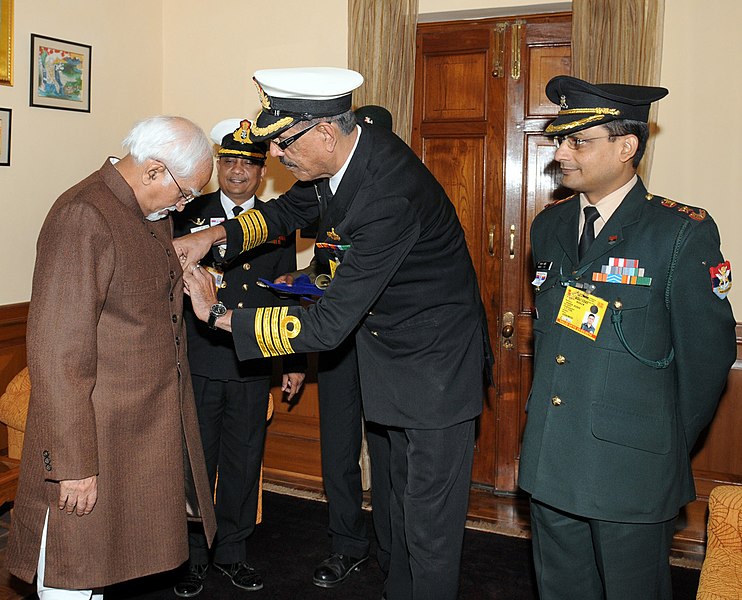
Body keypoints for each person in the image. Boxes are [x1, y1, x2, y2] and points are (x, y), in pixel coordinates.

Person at [175, 67, 492, 600]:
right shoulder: (345, 159)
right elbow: (282, 213)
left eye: (283, 142)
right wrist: (211, 236)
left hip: (434, 370)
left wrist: (214, 315)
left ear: (324, 132)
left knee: (428, 524)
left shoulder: (387, 196)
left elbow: (325, 324)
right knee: (394, 503)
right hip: (390, 354)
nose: (276, 156)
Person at [518, 75, 737, 600]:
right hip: (553, 460)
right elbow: (555, 341)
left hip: (631, 468)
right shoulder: (548, 227)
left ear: (626, 146)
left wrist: (658, 447)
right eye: (561, 139)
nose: (562, 152)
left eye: (578, 141)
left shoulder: (679, 231)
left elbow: (706, 363)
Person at [5, 115, 217, 599]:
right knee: (69, 570)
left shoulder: (148, 215)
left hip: (131, 433)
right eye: (184, 193)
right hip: (90, 435)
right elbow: (59, 355)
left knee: (98, 570)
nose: (184, 206)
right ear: (152, 171)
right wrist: (74, 464)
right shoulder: (85, 215)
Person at [171, 119, 306, 596]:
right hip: (200, 358)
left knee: (245, 460)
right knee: (195, 462)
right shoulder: (190, 214)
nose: (236, 171)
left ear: (262, 170)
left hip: (251, 360)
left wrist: (292, 360)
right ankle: (191, 556)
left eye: (247, 163)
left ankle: (232, 552)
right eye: (228, 161)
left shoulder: (276, 222)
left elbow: (288, 293)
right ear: (216, 166)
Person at [273, 106, 394, 590]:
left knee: (388, 459)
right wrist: (299, 280)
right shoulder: (325, 191)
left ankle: (391, 550)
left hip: (389, 348)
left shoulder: (394, 194)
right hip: (337, 345)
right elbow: (328, 274)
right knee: (338, 453)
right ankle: (347, 545)